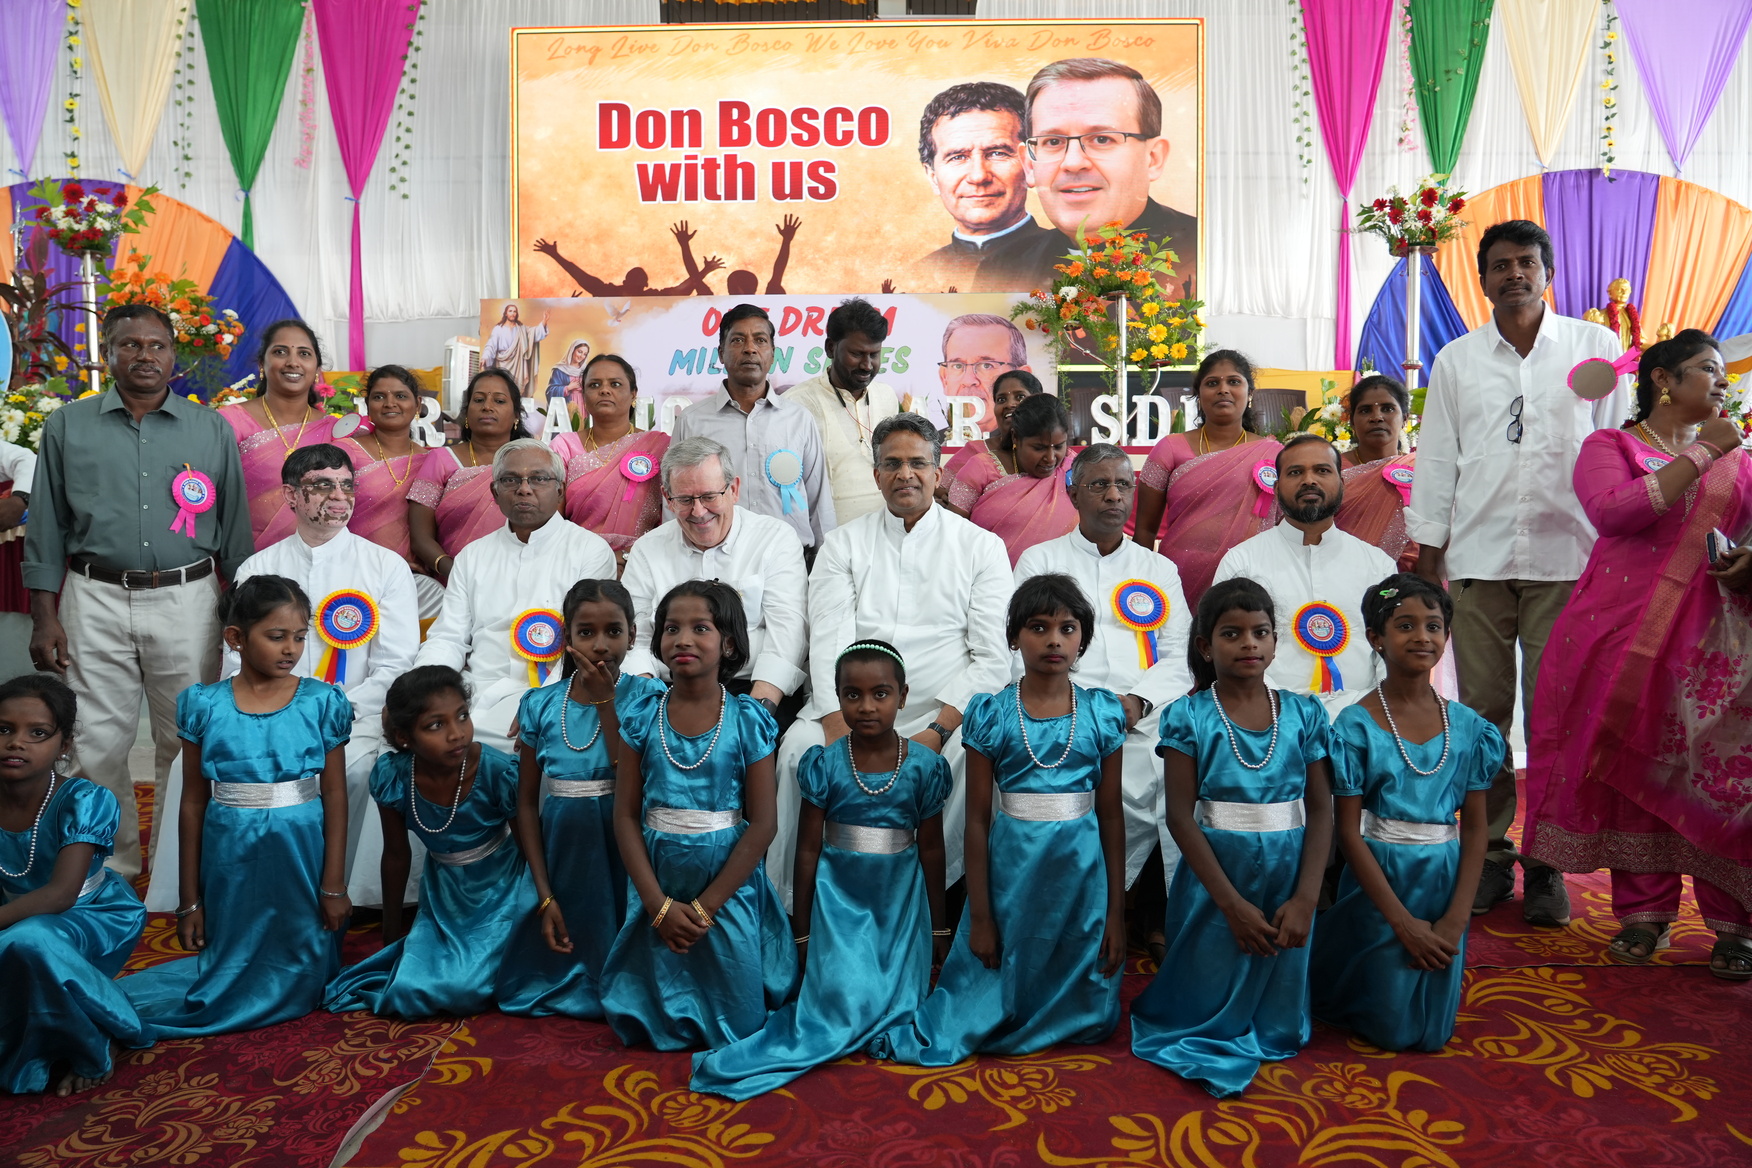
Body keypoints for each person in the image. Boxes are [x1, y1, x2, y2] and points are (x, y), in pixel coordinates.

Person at [1407, 219, 1629, 927]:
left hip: (1569, 559)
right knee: (1482, 716)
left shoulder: (1597, 349)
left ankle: (1548, 865)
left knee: (1555, 716)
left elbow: (1619, 448)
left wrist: (1618, 544)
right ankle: (1491, 856)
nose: (1514, 275)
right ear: (1482, 279)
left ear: (1548, 272)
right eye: (1499, 265)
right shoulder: (1457, 360)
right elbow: (1438, 458)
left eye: (1526, 263)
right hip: (1479, 556)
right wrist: (1428, 554)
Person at [1523, 331, 1752, 977]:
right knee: (1631, 762)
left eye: (1722, 372)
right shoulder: (1612, 446)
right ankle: (1643, 914)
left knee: (1718, 776)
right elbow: (1614, 513)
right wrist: (1706, 450)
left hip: (1711, 651)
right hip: (1619, 636)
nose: (1721, 381)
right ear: (1663, 380)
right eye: (1707, 369)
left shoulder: (1741, 463)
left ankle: (1735, 923)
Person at [25, 303, 252, 880]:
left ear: (174, 355)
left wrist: (243, 612)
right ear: (108, 354)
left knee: (187, 737)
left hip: (188, 599)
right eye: (129, 344)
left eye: (156, 345)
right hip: (93, 596)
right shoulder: (67, 425)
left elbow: (233, 527)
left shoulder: (209, 428)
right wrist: (44, 616)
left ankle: (178, 869)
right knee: (94, 742)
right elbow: (46, 525)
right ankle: (110, 870)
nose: (144, 355)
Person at [145, 443, 419, 911]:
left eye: (347, 485)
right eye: (323, 485)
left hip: (353, 718)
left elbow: (396, 665)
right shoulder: (259, 566)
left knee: (358, 771)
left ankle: (349, 892)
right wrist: (275, 714)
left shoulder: (385, 565)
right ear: (291, 496)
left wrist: (333, 712)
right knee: (188, 769)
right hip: (258, 715)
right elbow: (236, 662)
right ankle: (210, 889)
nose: (339, 496)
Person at [875, 575, 1126, 1064]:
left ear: (1083, 639)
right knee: (992, 981)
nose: (1054, 640)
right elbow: (976, 820)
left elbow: (1112, 815)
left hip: (1080, 874)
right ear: (1014, 637)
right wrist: (981, 918)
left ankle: (1060, 1008)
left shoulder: (1101, 712)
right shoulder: (992, 713)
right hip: (1014, 871)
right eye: (1038, 627)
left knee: (1093, 1016)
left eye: (1067, 628)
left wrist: (1116, 913)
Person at [690, 641, 951, 1099]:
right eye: (852, 695)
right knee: (840, 1001)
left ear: (903, 696)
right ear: (837, 695)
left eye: (880, 694)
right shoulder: (825, 763)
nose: (866, 706)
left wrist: (939, 928)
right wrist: (803, 932)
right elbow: (808, 850)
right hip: (839, 905)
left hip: (899, 906)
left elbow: (931, 849)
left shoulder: (924, 766)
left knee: (899, 1005)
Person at [770, 414, 1012, 904]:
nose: (906, 474)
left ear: (938, 473)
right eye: (893, 463)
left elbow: (992, 658)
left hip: (940, 713)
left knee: (973, 755)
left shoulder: (981, 547)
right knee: (798, 750)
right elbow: (828, 642)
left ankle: (928, 896)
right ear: (876, 474)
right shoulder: (843, 544)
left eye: (918, 463)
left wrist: (937, 731)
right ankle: (792, 903)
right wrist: (836, 726)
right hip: (851, 710)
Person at [122, 576, 353, 1039]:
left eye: (299, 637)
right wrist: (190, 901)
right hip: (231, 850)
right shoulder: (204, 705)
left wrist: (333, 886)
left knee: (303, 960)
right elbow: (192, 803)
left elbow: (334, 794)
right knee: (233, 953)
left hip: (300, 851)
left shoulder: (322, 701)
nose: (291, 649)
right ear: (236, 638)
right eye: (276, 636)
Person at [1129, 578, 1334, 1098]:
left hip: (1288, 872)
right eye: (1232, 633)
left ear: (1275, 642)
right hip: (1216, 879)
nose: (1249, 644)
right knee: (1204, 996)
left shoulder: (1304, 713)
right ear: (1205, 646)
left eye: (1260, 632)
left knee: (1278, 1016)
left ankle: (1270, 1012)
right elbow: (1180, 817)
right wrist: (1232, 905)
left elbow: (1321, 809)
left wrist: (1307, 898)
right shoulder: (1189, 716)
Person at [600, 581, 796, 1050]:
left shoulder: (747, 718)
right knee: (648, 1011)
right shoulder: (642, 715)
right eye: (672, 628)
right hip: (659, 875)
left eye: (700, 628)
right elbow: (625, 816)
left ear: (728, 643)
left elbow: (764, 823)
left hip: (725, 882)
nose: (683, 639)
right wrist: (658, 905)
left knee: (739, 1021)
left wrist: (706, 906)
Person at [1311, 575, 1502, 1051]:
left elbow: (1476, 828)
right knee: (1391, 1030)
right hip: (1380, 880)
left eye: (1433, 626)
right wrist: (1400, 921)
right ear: (1376, 637)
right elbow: (1348, 832)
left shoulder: (1470, 728)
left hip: (1443, 879)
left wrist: (1457, 918)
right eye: (1404, 625)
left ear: (1447, 635)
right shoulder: (1355, 725)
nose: (1422, 636)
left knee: (1431, 1034)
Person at [1014, 444, 1194, 901]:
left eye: (1123, 485)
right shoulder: (1040, 561)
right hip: (1064, 718)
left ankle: (1154, 908)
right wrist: (1080, 711)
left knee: (1173, 777)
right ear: (1073, 494)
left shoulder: (1159, 568)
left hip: (1147, 717)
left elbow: (1181, 656)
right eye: (1099, 485)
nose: (1114, 495)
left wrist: (1137, 702)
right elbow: (1022, 650)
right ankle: (1088, 903)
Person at [325, 666, 533, 1017]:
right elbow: (395, 856)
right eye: (436, 725)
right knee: (410, 988)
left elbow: (529, 848)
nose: (456, 734)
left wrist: (541, 905)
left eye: (462, 716)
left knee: (464, 988)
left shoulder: (497, 770)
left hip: (502, 891)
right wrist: (391, 939)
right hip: (443, 896)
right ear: (404, 737)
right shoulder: (393, 776)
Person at [499, 580, 663, 1018]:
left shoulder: (648, 699)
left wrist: (607, 703)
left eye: (614, 631)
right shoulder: (540, 704)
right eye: (586, 632)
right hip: (565, 856)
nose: (601, 645)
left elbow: (634, 780)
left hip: (626, 854)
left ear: (632, 634)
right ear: (567, 636)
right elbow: (526, 804)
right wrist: (543, 893)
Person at [414, 438, 616, 754]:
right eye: (510, 480)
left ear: (560, 490)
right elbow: (448, 638)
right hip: (476, 692)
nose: (524, 489)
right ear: (494, 492)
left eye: (538, 478)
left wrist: (545, 702)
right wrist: (420, 690)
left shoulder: (589, 551)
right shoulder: (472, 556)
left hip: (553, 694)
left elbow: (588, 647)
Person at [0, 674, 147, 1096]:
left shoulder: (84, 799)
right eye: (4, 729)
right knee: (23, 937)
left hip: (90, 913)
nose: (16, 743)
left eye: (38, 733)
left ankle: (96, 1041)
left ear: (64, 746)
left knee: (27, 941)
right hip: (20, 913)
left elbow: (62, 893)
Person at [977, 58, 1197, 300]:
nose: (1073, 163)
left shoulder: (1207, 252)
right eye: (1053, 141)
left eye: (1102, 139)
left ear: (1153, 158)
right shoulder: (1001, 269)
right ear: (1029, 165)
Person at [621, 438, 807, 718]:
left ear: (733, 490)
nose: (698, 512)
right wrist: (649, 708)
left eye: (709, 496)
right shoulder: (647, 549)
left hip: (754, 688)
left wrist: (756, 714)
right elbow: (636, 639)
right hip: (668, 692)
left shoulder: (775, 539)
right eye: (685, 500)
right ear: (668, 499)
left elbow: (788, 633)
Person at [1213, 435, 1396, 714]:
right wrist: (1279, 709)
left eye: (1322, 470)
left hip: (1364, 715)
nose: (1309, 480)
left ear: (1342, 483)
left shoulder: (1378, 564)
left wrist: (1372, 710)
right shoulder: (1242, 562)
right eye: (1295, 472)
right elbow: (1230, 648)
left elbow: (1390, 650)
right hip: (1272, 716)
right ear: (1276, 488)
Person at [671, 304, 835, 550]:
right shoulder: (692, 421)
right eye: (738, 340)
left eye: (760, 340)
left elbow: (818, 500)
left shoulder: (799, 419)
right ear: (721, 353)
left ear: (772, 353)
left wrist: (825, 560)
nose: (750, 348)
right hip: (717, 557)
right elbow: (676, 500)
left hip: (788, 556)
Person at [1132, 350, 1281, 607]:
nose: (1223, 389)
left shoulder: (1274, 454)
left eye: (1234, 381)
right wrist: (1139, 587)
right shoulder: (1170, 448)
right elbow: (1145, 530)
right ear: (1198, 395)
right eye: (1212, 383)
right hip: (1176, 579)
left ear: (1250, 394)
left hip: (1250, 577)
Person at [914, 82, 1052, 290]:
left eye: (997, 153)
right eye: (958, 157)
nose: (978, 176)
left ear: (1030, 165)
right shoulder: (914, 278)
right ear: (933, 177)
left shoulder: (1074, 265)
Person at [218, 320, 343, 549]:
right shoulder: (229, 422)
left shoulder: (334, 431)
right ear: (262, 364)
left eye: (304, 354)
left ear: (317, 369)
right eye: (280, 352)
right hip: (247, 558)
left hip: (321, 559)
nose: (293, 362)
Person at [782, 298, 905, 524]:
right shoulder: (796, 403)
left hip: (885, 530)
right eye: (857, 354)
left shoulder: (886, 396)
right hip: (828, 537)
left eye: (874, 354)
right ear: (831, 348)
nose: (867, 365)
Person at [408, 369, 532, 582]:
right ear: (466, 413)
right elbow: (421, 538)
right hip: (453, 581)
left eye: (499, 401)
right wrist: (455, 573)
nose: (487, 406)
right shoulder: (441, 460)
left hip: (522, 579)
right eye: (479, 400)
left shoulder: (534, 463)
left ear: (516, 416)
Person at [342, 365, 441, 618]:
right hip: (352, 574)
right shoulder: (345, 451)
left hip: (414, 581)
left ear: (417, 404)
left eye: (400, 396)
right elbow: (328, 516)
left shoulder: (433, 461)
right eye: (379, 396)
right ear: (367, 405)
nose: (389, 403)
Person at [553, 354, 671, 561]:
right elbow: (553, 521)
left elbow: (672, 516)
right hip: (579, 562)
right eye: (594, 385)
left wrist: (629, 557)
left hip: (645, 561)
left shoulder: (659, 446)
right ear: (584, 395)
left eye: (615, 384)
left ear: (633, 394)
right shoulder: (564, 446)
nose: (604, 390)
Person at [948, 392, 1077, 566]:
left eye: (1059, 446)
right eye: (1039, 448)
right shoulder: (981, 468)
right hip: (990, 576)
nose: (1051, 458)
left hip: (1061, 578)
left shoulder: (1072, 467)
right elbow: (952, 533)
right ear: (1016, 437)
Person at [1334, 375, 1418, 569]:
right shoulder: (1331, 469)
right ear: (1352, 422)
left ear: (1405, 419)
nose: (1377, 417)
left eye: (1387, 409)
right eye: (1365, 410)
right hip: (1345, 571)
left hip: (1413, 577)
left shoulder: (1418, 467)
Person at [937, 369, 1037, 505]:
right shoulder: (975, 451)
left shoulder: (1052, 451)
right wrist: (952, 502)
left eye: (1020, 397)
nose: (1009, 404)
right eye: (1001, 399)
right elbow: (938, 487)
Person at [932, 314, 1030, 434]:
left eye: (986, 366)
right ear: (944, 379)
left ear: (1023, 380)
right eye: (957, 366)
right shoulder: (929, 444)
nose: (968, 381)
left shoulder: (1041, 443)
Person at [480, 303, 549, 398]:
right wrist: (485, 357)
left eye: (514, 311)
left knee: (516, 392)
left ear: (517, 314)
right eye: (510, 311)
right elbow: (491, 345)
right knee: (502, 391)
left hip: (518, 366)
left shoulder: (522, 329)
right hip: (502, 364)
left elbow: (535, 333)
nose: (512, 313)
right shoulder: (498, 329)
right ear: (506, 313)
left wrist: (544, 321)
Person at [545, 340, 591, 405]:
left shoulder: (586, 370)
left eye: (585, 354)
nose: (581, 356)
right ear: (572, 350)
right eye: (580, 352)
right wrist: (568, 388)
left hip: (583, 405)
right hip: (567, 405)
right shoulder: (560, 370)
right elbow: (550, 391)